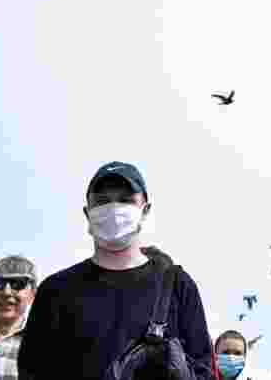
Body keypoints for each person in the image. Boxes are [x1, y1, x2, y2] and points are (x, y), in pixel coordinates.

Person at [18, 161, 213, 379]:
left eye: (125, 200)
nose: (113, 209)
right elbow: (32, 372)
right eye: (102, 201)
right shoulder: (55, 291)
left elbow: (203, 370)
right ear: (87, 212)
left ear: (145, 209)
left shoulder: (178, 285)